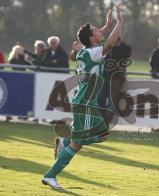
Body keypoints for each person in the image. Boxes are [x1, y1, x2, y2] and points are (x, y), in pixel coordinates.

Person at [42, 4, 123, 190]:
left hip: (86, 102)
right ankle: (50, 176)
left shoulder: (85, 50)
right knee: (78, 143)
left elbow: (95, 37)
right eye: (95, 29)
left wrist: (107, 25)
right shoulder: (94, 52)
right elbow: (110, 43)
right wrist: (119, 22)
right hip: (85, 103)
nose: (98, 30)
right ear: (91, 37)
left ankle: (65, 142)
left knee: (102, 135)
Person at [99, 34, 131, 116]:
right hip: (105, 75)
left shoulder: (126, 48)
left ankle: (108, 118)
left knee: (112, 99)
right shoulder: (107, 46)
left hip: (117, 78)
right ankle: (100, 116)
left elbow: (119, 56)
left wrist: (115, 45)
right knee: (101, 97)